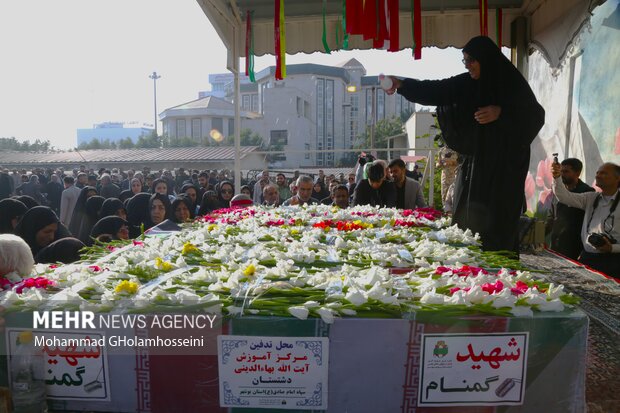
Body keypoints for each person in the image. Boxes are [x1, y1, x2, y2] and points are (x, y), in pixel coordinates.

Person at [385, 35, 545, 254]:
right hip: (474, 166)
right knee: (466, 219)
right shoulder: (467, 83)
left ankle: (500, 278)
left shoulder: (511, 84)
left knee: (497, 227)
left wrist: (501, 113)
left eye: (472, 60)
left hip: (502, 172)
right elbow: (437, 90)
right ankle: (468, 274)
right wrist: (402, 85)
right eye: (465, 61)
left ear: (485, 59)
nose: (468, 65)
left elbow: (535, 116)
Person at [551, 161, 620, 278]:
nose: (598, 175)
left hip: (613, 261)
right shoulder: (591, 198)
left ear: (617, 178)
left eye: (603, 173)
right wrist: (557, 177)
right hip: (588, 258)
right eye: (597, 172)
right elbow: (564, 196)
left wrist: (612, 248)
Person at [546, 158, 595, 260]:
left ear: (577, 173)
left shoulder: (587, 192)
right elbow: (552, 215)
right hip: (555, 242)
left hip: (575, 246)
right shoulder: (557, 189)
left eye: (566, 171)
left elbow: (589, 223)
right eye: (561, 171)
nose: (562, 174)